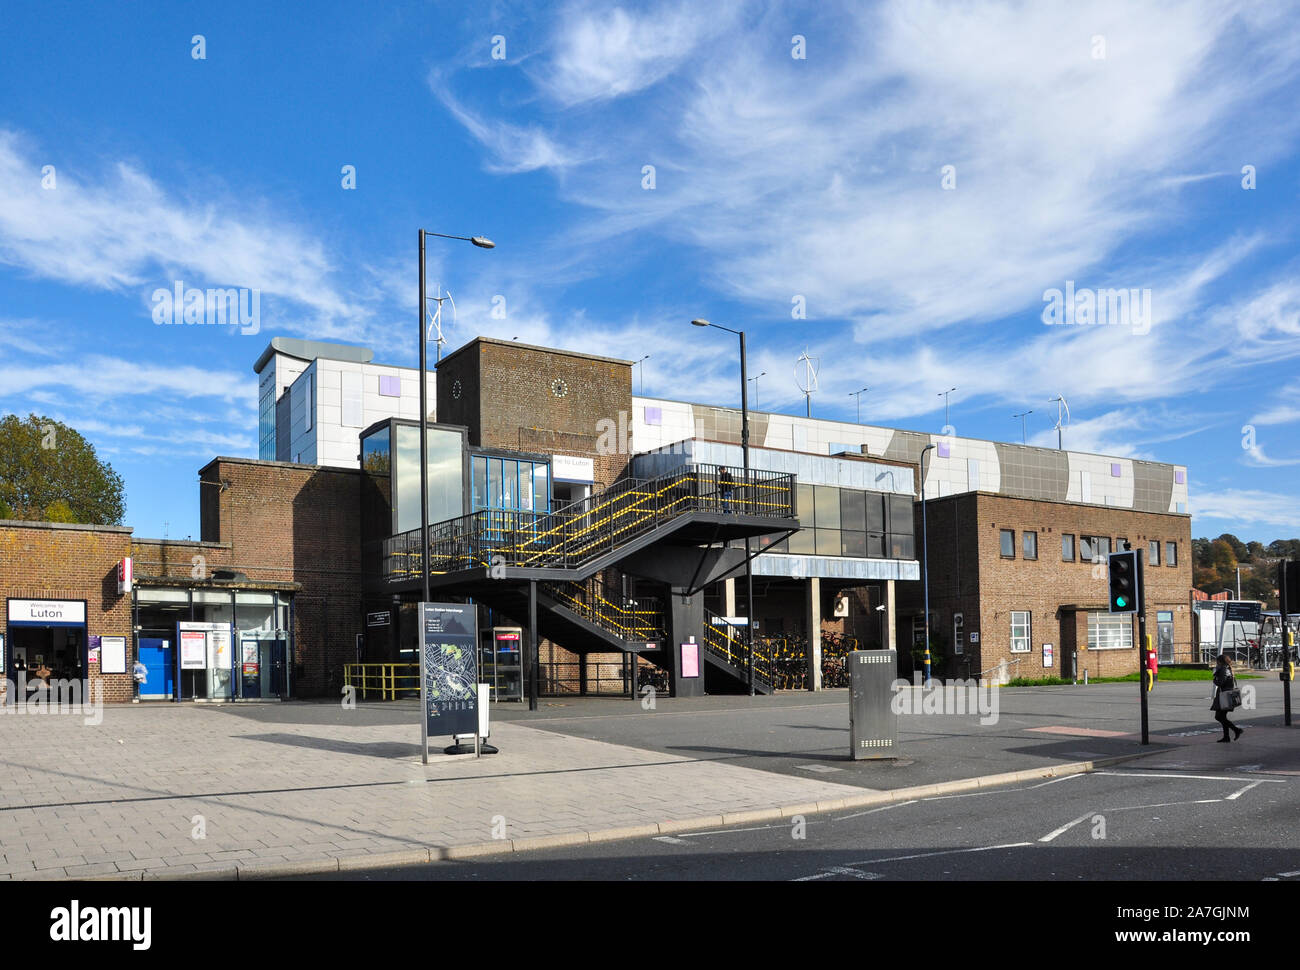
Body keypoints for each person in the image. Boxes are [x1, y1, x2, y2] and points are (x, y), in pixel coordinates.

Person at [1211, 653, 1243, 743]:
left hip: (1224, 696)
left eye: (1217, 662)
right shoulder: (1228, 669)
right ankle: (1226, 737)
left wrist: (1214, 679)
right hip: (1227, 695)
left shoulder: (1224, 670)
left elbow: (1221, 683)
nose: (1216, 664)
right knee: (1222, 716)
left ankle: (1236, 730)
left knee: (1219, 717)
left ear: (1220, 662)